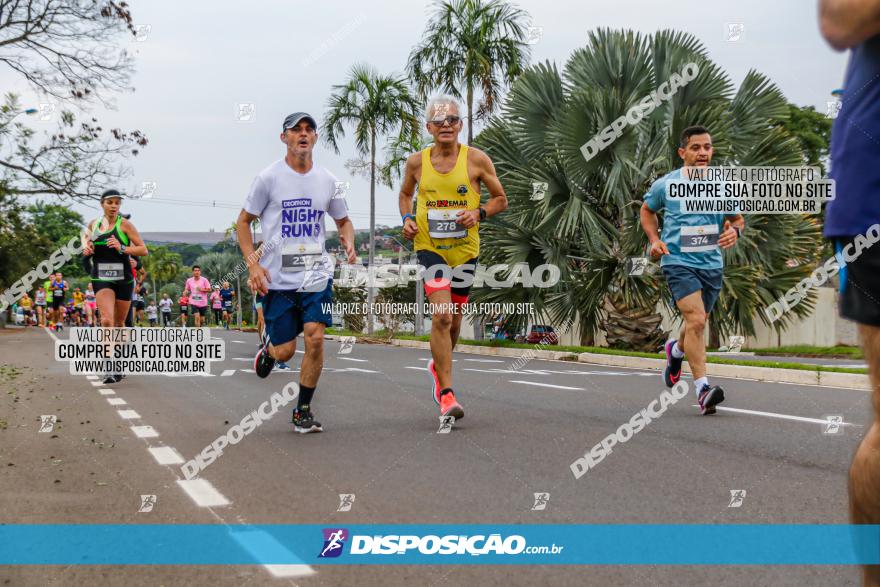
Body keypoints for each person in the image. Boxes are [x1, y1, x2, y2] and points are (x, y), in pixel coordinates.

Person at [236, 111, 356, 434]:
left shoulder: (328, 181)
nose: (303, 134)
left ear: (315, 138)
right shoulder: (268, 179)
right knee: (286, 349)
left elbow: (343, 220)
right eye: (295, 130)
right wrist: (253, 263)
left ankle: (302, 410)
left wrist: (348, 239)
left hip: (316, 276)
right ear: (284, 138)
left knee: (316, 338)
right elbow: (243, 222)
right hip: (278, 280)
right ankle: (269, 349)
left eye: (309, 129)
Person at [400, 95, 508, 423]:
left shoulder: (476, 160)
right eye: (439, 121)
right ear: (429, 127)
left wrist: (479, 212)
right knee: (442, 317)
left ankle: (439, 365)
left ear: (460, 125)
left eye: (452, 120)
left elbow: (501, 199)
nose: (446, 125)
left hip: (465, 252)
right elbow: (406, 193)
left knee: (455, 322)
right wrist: (407, 217)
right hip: (430, 247)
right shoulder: (416, 163)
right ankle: (446, 394)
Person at [820, 4, 880, 585]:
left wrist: (730, 230)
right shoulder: (665, 185)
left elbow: (729, 216)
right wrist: (659, 244)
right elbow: (837, 19)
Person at [639, 125, 744, 415]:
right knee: (697, 319)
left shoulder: (722, 186)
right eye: (696, 148)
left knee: (696, 324)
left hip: (711, 265)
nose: (703, 153)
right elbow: (646, 211)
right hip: (678, 262)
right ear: (682, 152)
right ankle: (703, 389)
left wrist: (735, 232)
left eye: (707, 147)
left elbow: (737, 220)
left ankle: (675, 351)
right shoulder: (667, 185)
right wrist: (655, 239)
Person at [81, 189, 149, 384]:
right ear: (102, 204)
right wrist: (87, 249)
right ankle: (108, 365)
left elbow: (143, 249)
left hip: (124, 279)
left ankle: (119, 362)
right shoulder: (93, 225)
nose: (113, 206)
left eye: (117, 203)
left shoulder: (125, 225)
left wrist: (122, 247)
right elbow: (86, 248)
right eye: (110, 202)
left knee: (120, 324)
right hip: (101, 277)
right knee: (106, 321)